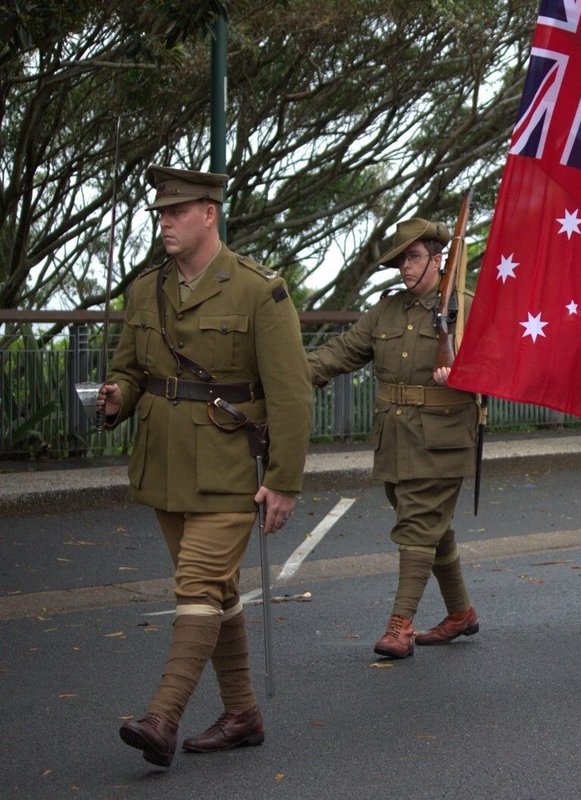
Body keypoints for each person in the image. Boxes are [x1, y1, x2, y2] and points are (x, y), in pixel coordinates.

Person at [99, 166, 312, 767]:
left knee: (195, 585)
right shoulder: (145, 289)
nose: (165, 223)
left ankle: (162, 718)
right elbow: (131, 370)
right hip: (163, 465)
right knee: (217, 590)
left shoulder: (258, 290)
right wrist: (117, 396)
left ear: (210, 213)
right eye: (160, 214)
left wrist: (284, 481)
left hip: (229, 466)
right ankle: (242, 715)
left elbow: (291, 393)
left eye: (177, 212)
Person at [308, 218, 481, 658]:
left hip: (443, 435)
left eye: (415, 257)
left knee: (418, 525)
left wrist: (462, 372)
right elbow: (344, 350)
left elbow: (500, 366)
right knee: (429, 524)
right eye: (402, 260)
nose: (406, 267)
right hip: (396, 435)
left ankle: (400, 626)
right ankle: (460, 613)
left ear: (438, 259)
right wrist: (292, 373)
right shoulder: (387, 310)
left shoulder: (466, 307)